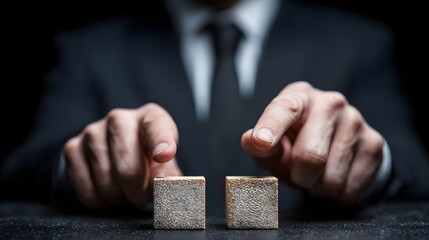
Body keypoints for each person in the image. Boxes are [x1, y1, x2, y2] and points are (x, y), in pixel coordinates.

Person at [1, 0, 428, 214]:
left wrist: (372, 161)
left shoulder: (359, 42)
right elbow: (24, 167)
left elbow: (413, 167)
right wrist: (80, 162)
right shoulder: (87, 49)